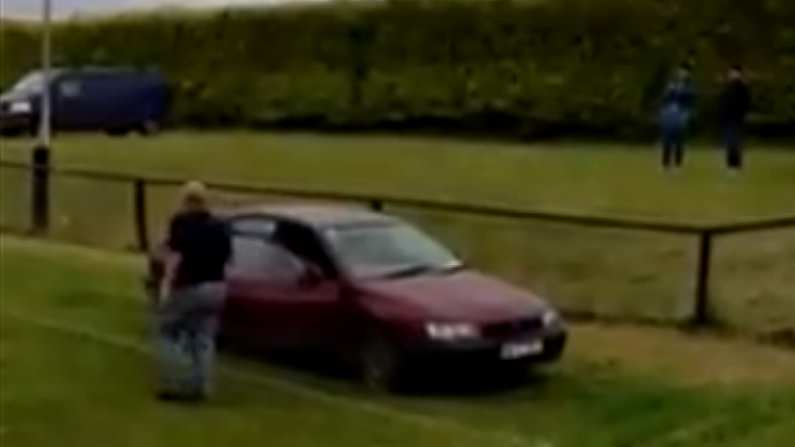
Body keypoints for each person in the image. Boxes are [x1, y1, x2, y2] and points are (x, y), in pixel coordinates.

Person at [156, 181, 231, 402]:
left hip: (190, 286)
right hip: (217, 287)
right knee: (204, 338)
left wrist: (165, 287)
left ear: (187, 201)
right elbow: (227, 257)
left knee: (171, 333)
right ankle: (202, 386)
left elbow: (173, 256)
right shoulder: (219, 226)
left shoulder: (181, 223)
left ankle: (176, 383)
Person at [658, 63, 696, 171]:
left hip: (682, 113)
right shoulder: (673, 83)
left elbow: (691, 98)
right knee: (667, 138)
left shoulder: (689, 85)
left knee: (679, 139)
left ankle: (677, 164)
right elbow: (665, 97)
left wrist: (687, 114)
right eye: (681, 71)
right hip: (670, 113)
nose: (682, 73)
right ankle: (665, 163)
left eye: (684, 71)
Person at [718, 65, 751, 172]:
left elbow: (746, 103)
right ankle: (730, 165)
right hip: (727, 118)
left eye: (734, 73)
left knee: (736, 142)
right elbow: (723, 102)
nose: (732, 75)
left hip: (737, 118)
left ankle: (736, 165)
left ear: (739, 74)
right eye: (731, 73)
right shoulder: (727, 87)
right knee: (729, 142)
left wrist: (742, 115)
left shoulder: (742, 87)